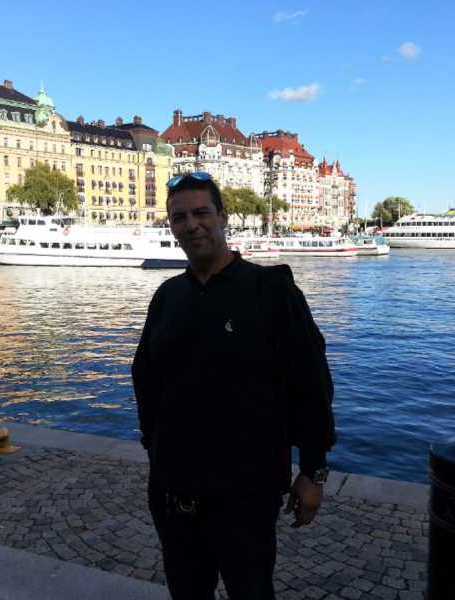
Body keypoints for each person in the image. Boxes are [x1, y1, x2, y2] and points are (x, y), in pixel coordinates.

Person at [132, 172, 336, 600]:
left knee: (252, 592)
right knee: (187, 592)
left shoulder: (271, 290)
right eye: (180, 217)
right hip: (173, 492)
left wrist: (312, 471)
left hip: (246, 495)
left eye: (201, 213)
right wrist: (156, 449)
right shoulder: (167, 296)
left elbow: (312, 385)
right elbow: (144, 379)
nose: (192, 225)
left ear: (223, 217)